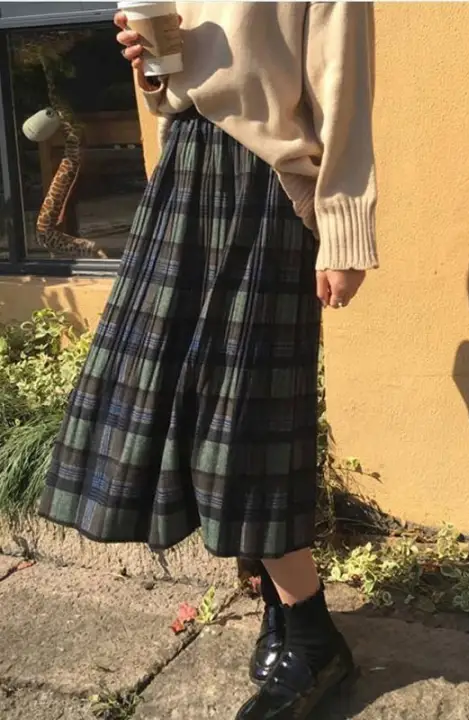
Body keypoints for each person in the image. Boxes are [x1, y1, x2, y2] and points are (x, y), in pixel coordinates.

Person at [37, 3, 378, 718]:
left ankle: (312, 636)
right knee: (162, 399)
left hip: (263, 185)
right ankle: (282, 611)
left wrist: (343, 232)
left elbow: (342, 88)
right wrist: (151, 71)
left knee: (244, 419)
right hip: (184, 173)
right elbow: (180, 87)